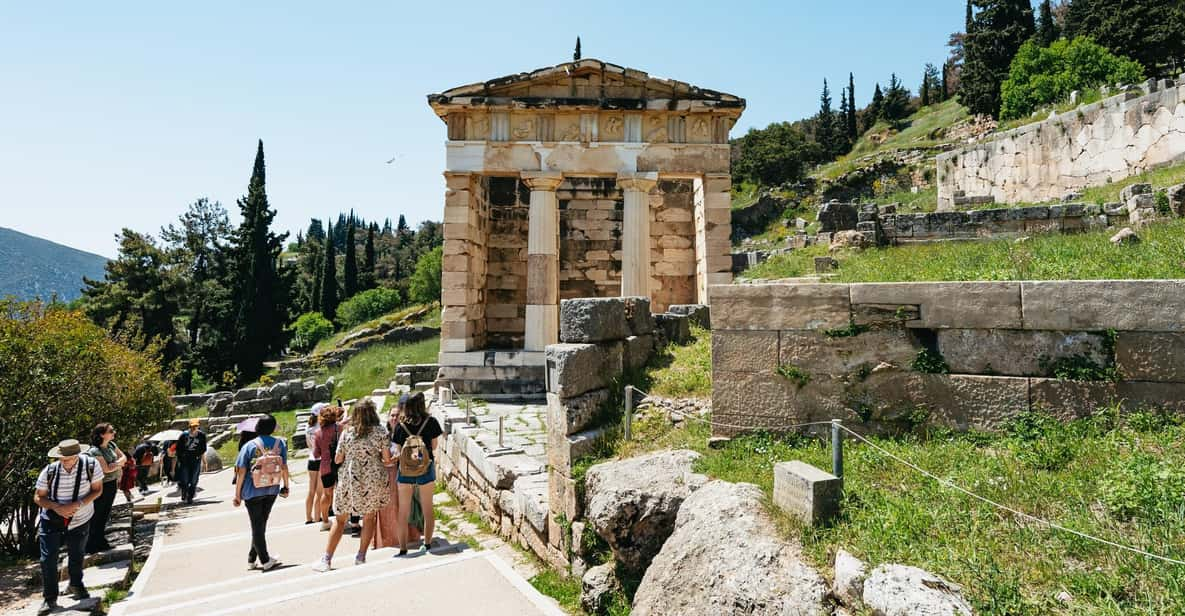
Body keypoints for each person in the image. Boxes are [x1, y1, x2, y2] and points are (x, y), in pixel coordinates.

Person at [311, 398, 393, 572]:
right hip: (373, 477)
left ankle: (327, 559)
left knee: (340, 519)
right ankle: (361, 556)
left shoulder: (348, 433)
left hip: (350, 478)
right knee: (369, 517)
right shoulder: (381, 432)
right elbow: (386, 459)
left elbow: (338, 459)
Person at [33, 439, 103, 616]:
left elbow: (97, 490)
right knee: (47, 558)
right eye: (62, 458)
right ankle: (49, 599)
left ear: (77, 455)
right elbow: (38, 497)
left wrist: (78, 504)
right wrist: (58, 507)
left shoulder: (91, 465)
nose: (65, 461)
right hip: (52, 520)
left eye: (69, 458)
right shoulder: (49, 472)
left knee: (77, 554)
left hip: (81, 518)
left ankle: (76, 585)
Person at [233, 413, 289, 571]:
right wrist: (286, 486)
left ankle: (261, 560)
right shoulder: (280, 443)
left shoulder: (249, 446)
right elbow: (284, 466)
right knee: (260, 524)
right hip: (272, 487)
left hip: (252, 490)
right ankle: (256, 559)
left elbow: (241, 471)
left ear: (257, 427)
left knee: (258, 525)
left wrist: (237, 495)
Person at [393, 392, 443, 555]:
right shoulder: (431, 422)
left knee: (403, 510)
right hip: (425, 467)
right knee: (427, 508)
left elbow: (399, 451)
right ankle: (427, 544)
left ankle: (403, 548)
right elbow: (434, 446)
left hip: (405, 470)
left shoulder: (400, 425)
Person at [374, 395, 423, 549]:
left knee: (406, 506)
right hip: (386, 477)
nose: (394, 418)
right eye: (392, 415)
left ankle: (411, 536)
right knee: (388, 508)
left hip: (405, 474)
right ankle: (389, 539)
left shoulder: (407, 433)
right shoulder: (384, 436)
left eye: (397, 415)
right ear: (388, 418)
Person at [85, 423, 125, 554]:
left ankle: (100, 541)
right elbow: (106, 469)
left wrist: (116, 464)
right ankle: (91, 543)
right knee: (97, 514)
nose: (114, 432)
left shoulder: (112, 445)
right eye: (111, 431)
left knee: (105, 513)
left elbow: (124, 457)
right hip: (101, 485)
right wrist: (119, 464)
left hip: (112, 483)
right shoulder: (94, 451)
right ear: (102, 434)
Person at [313, 405, 343, 531]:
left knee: (327, 494)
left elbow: (316, 454)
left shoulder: (318, 433)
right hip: (341, 464)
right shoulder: (339, 428)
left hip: (325, 467)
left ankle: (325, 521)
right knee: (342, 492)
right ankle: (342, 519)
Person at [175, 419, 207, 504]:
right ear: (189, 427)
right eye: (192, 426)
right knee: (184, 479)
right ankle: (184, 492)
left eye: (195, 426)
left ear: (198, 426)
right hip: (185, 460)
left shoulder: (201, 435)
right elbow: (178, 449)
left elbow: (203, 448)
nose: (194, 428)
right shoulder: (183, 435)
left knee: (194, 480)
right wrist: (180, 459)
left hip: (196, 460)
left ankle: (190, 497)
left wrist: (203, 460)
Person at [304, 407, 326, 525]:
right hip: (321, 459)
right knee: (319, 491)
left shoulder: (308, 427)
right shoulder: (321, 427)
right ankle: (318, 517)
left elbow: (308, 445)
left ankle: (308, 517)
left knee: (311, 490)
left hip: (311, 459)